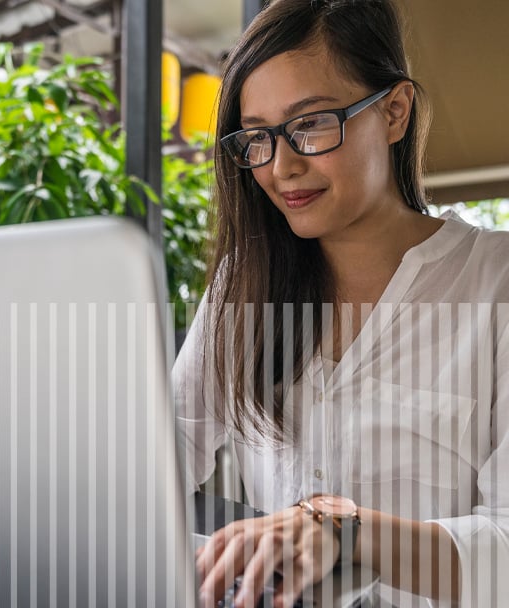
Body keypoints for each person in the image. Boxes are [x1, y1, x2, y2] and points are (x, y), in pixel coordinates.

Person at [173, 1, 509, 607]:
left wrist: (341, 532)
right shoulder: (241, 288)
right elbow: (158, 460)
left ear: (394, 112)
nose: (281, 166)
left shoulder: (496, 284)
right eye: (258, 137)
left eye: (311, 124)